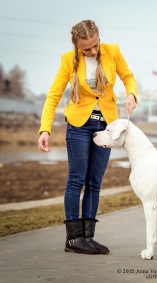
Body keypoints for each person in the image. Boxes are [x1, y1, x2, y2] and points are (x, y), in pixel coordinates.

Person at [37, 19, 138, 255]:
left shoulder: (112, 51)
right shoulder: (68, 60)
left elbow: (128, 77)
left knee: (95, 182)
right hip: (78, 126)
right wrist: (45, 129)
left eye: (95, 46)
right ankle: (73, 239)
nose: (93, 51)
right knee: (76, 180)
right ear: (77, 47)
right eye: (86, 49)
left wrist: (132, 93)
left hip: (106, 126)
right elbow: (53, 96)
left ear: (98, 38)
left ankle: (88, 238)